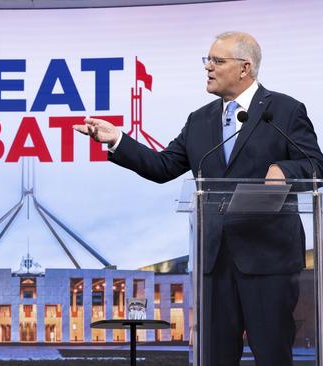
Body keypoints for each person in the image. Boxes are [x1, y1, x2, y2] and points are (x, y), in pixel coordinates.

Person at [74, 32, 323, 365]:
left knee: (273, 357)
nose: (208, 67)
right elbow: (163, 167)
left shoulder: (284, 110)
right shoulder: (199, 120)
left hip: (269, 264)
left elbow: (314, 165)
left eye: (217, 61)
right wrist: (117, 139)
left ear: (245, 67)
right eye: (207, 60)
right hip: (214, 265)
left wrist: (283, 169)